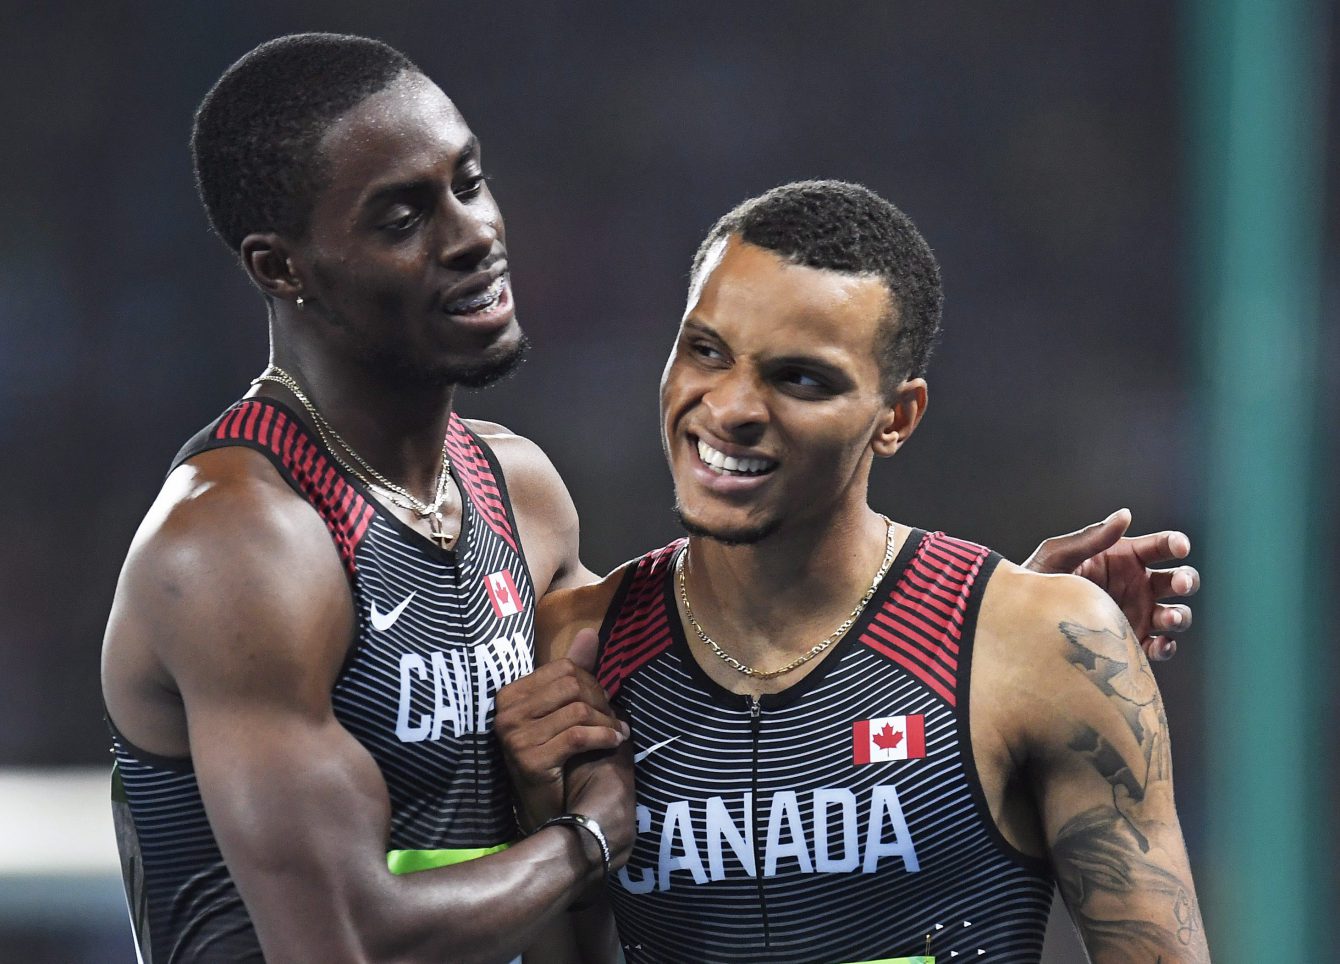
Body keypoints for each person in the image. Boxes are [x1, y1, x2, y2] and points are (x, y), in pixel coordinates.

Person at [101, 32, 1197, 964]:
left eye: (468, 182)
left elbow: (718, 651)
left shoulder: (515, 493)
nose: (472, 232)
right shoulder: (239, 543)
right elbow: (338, 935)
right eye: (400, 217)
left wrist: (997, 638)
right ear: (280, 266)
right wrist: (585, 838)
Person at [503, 181, 1209, 963]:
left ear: (896, 418)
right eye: (706, 350)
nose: (731, 406)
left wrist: (994, 630)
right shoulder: (576, 650)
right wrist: (548, 823)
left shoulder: (1039, 645)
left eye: (800, 378)